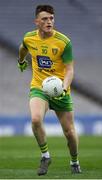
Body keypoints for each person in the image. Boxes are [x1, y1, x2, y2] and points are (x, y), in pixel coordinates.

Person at [18, 4, 81, 175]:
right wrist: (21, 61)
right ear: (36, 21)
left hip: (60, 90)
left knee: (69, 132)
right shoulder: (29, 38)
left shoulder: (63, 42)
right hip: (39, 87)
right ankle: (45, 156)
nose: (49, 22)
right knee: (36, 119)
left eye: (51, 18)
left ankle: (74, 160)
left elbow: (70, 70)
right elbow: (23, 48)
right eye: (44, 19)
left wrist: (63, 88)